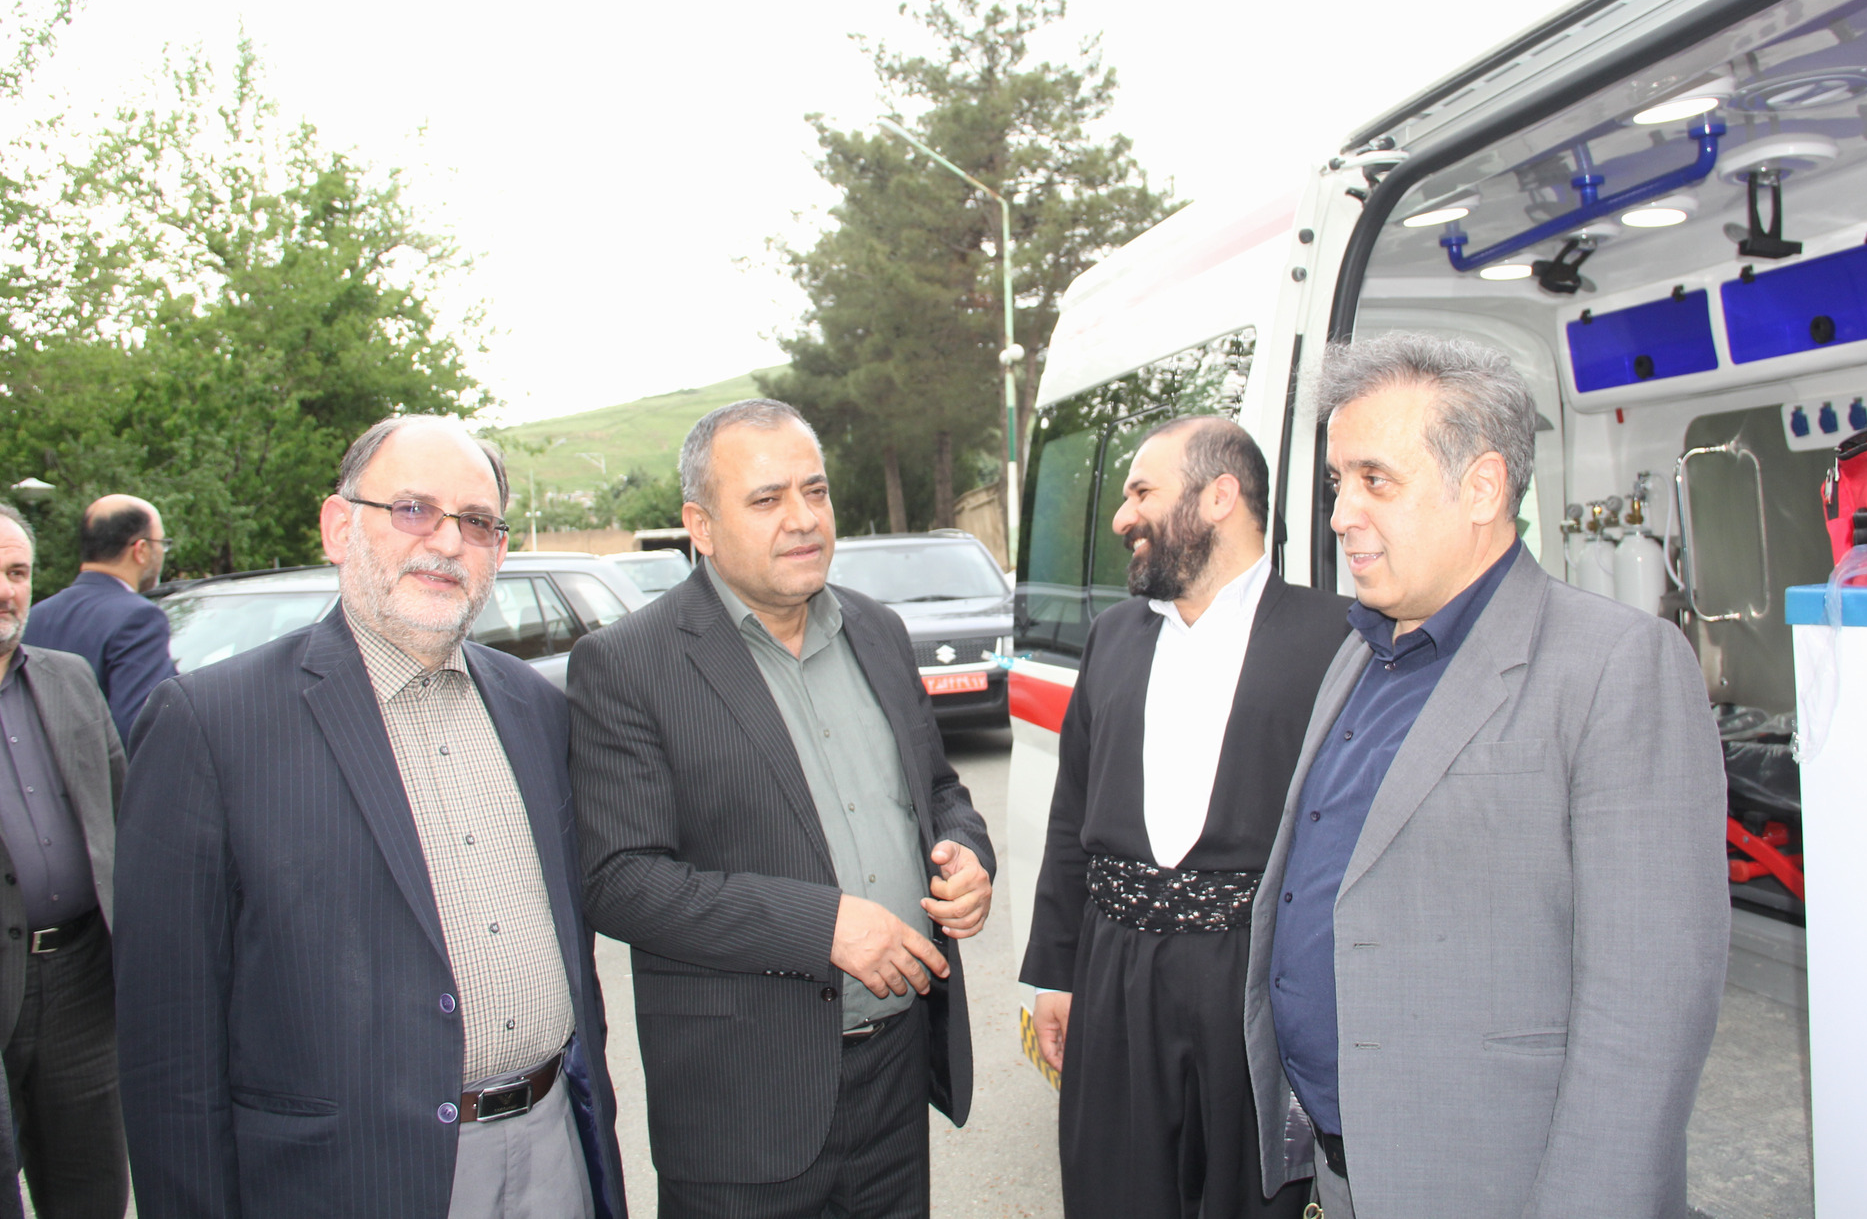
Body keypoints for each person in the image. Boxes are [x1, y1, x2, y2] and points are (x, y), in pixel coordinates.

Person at [1245, 332, 1729, 1218]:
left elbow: (1650, 1009)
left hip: (1496, 1182)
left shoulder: (1617, 664)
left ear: (1483, 487)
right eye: (1338, 482)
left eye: (1375, 479)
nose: (1342, 514)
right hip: (1346, 1173)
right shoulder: (1360, 653)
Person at [115, 417, 626, 1219]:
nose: (448, 542)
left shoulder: (537, 707)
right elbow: (168, 1050)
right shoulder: (210, 724)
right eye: (414, 509)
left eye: (477, 522)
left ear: (498, 550)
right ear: (338, 526)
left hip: (554, 1147)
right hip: (349, 1179)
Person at [568, 398, 995, 1219]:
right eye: (767, 499)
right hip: (746, 1109)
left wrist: (966, 852)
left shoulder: (876, 629)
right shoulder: (628, 663)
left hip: (895, 1080)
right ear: (700, 524)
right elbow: (620, 880)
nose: (802, 519)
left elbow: (939, 790)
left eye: (815, 490)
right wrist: (822, 925)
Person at [1020, 417, 1351, 1219]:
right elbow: (1071, 813)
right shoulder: (1112, 637)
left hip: (1258, 980)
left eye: (1142, 492)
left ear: (1219, 496)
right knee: (1115, 1191)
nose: (1122, 516)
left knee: (1258, 1198)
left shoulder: (1337, 638)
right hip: (1116, 970)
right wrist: (1055, 972)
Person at [0, 504, 126, 1219]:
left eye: (17, 573)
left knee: (93, 1187)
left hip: (82, 980)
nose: (6, 591)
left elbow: (123, 811)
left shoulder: (70, 678)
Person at [22, 495, 178, 747]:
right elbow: (142, 729)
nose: (162, 552)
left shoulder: (36, 615)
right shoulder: (140, 618)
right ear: (140, 549)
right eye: (162, 543)